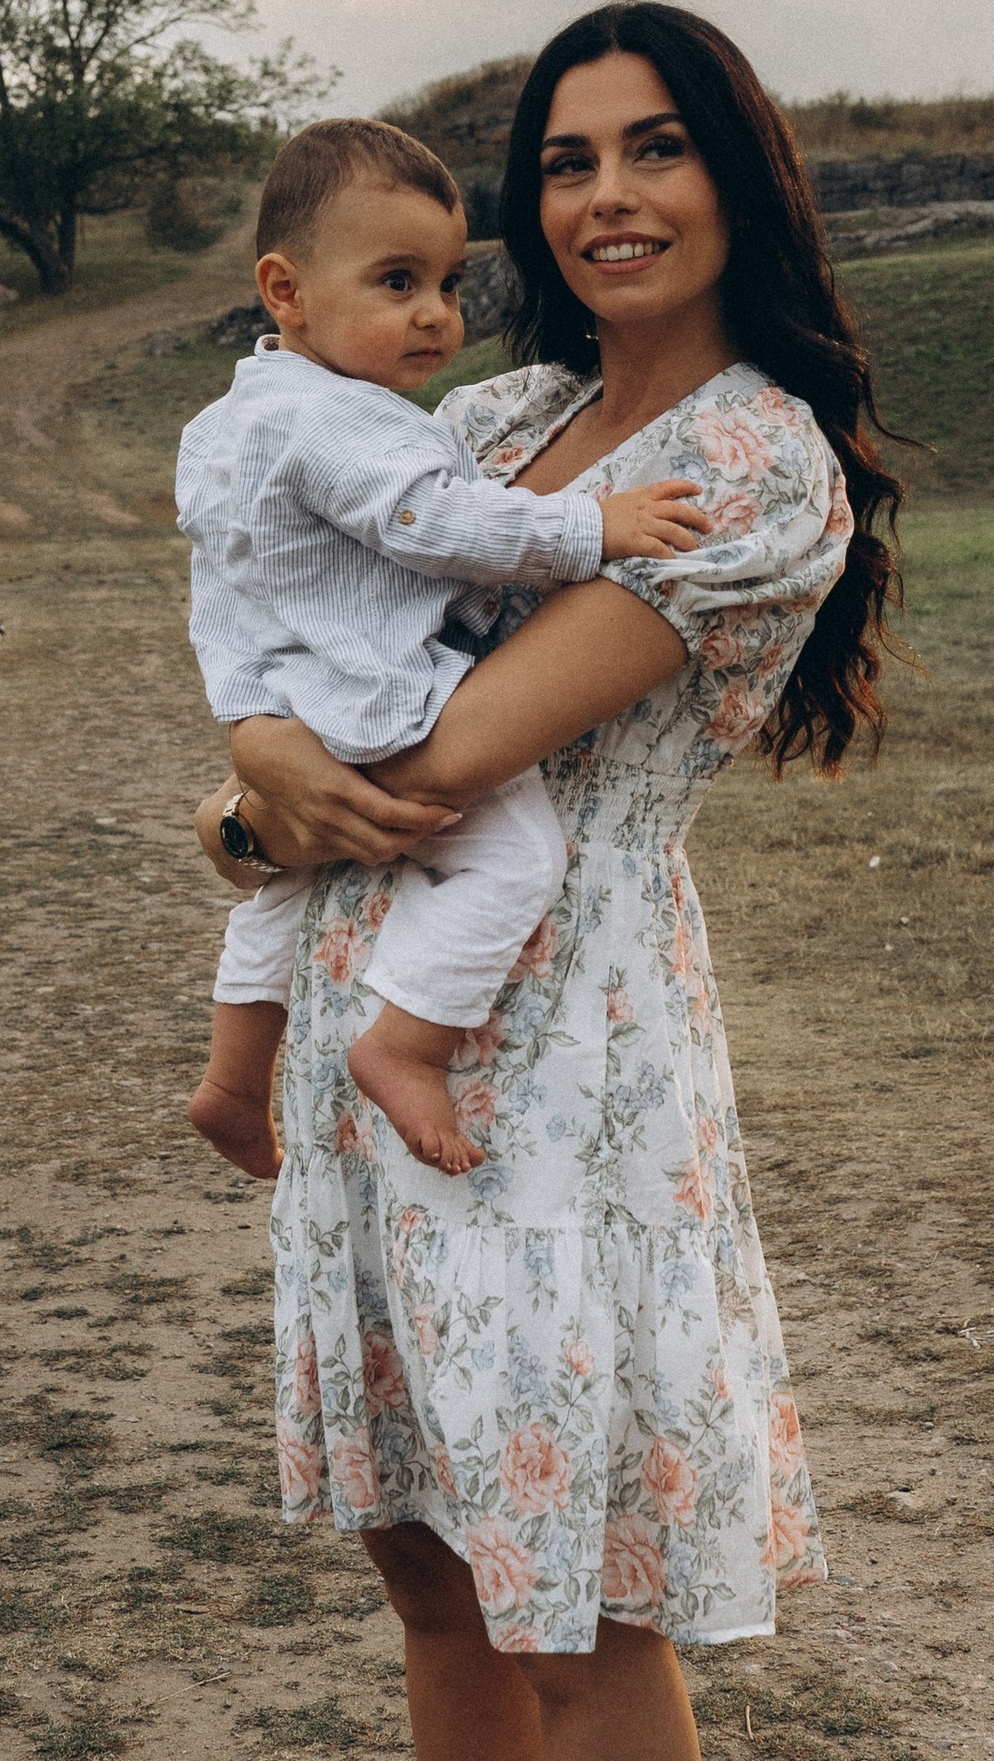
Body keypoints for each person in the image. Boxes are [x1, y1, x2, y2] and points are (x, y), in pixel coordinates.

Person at [191, 5, 903, 1761]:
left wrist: (271, 746)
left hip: (556, 1085)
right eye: (567, 159)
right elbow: (290, 714)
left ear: (740, 182)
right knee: (430, 1561)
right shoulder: (490, 418)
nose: (607, 194)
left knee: (578, 1592)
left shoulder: (749, 463)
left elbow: (444, 738)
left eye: (657, 148)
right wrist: (259, 754)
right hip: (370, 1054)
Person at [179, 116, 714, 1180]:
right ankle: (405, 1044)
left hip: (300, 705)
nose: (434, 316)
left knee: (284, 893)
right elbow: (438, 523)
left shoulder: (228, 424)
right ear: (284, 291)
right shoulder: (350, 423)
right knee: (515, 856)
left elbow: (225, 596)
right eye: (395, 283)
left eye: (448, 286)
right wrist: (589, 527)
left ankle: (235, 1085)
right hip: (385, 702)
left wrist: (251, 728)